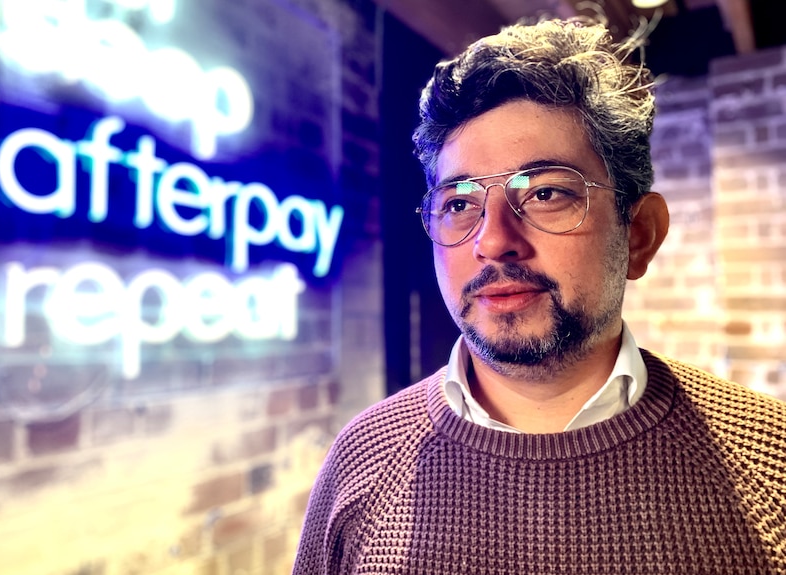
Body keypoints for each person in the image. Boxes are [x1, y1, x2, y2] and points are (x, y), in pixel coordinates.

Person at [292, 18, 786, 574]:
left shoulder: (769, 464)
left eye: (546, 192)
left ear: (640, 234)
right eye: (458, 203)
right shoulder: (363, 460)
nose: (494, 240)